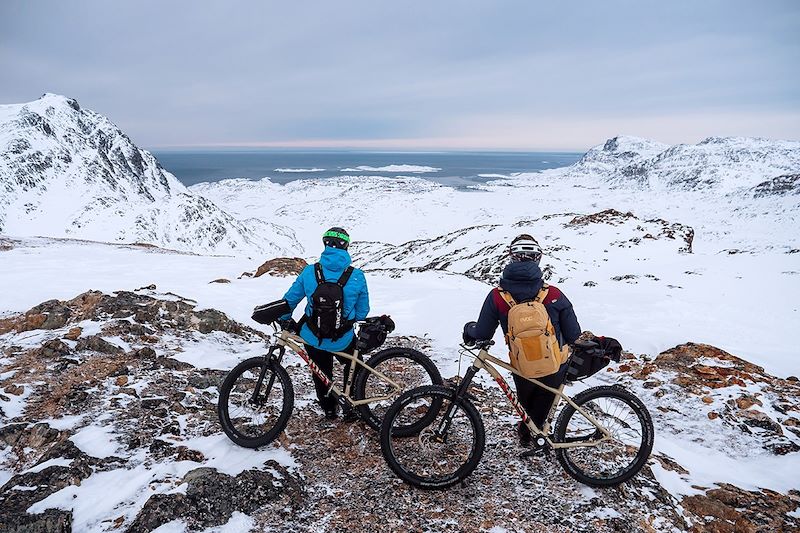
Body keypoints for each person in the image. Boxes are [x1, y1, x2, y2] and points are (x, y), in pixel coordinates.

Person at [462, 234, 581, 444]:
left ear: (511, 258)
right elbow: (574, 334)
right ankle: (538, 436)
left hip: (521, 365)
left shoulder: (497, 297)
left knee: (526, 403)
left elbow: (482, 333)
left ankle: (528, 434)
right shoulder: (554, 294)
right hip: (555, 364)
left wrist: (469, 329)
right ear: (537, 259)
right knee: (545, 402)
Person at [281, 227, 370, 420]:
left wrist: (284, 319)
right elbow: (363, 311)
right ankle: (351, 404)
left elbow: (290, 301)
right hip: (344, 338)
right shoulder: (357, 276)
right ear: (346, 246)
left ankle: (329, 409)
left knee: (321, 372)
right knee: (355, 365)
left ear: (325, 244)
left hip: (313, 337)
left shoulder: (309, 272)